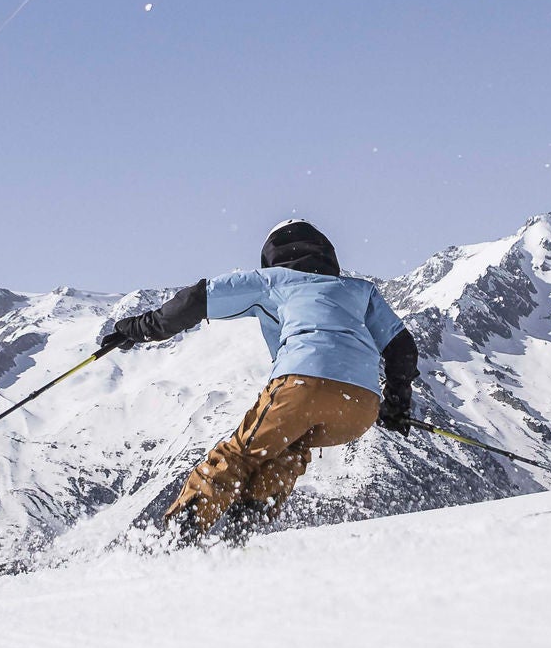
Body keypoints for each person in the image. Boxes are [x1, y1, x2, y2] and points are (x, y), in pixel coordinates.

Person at [99, 219, 419, 544]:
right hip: (360, 406)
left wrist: (138, 329)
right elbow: (402, 349)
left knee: (238, 455)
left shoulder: (271, 280)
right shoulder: (359, 290)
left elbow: (196, 300)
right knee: (287, 450)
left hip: (302, 384)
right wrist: (395, 405)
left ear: (271, 256)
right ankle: (242, 532)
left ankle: (177, 537)